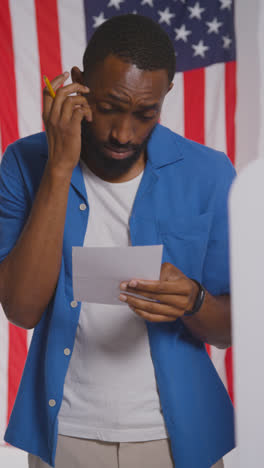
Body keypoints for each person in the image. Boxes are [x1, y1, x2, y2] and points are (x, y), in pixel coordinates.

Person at [0, 14, 235, 468]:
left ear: (165, 97)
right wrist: (59, 165)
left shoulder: (209, 173)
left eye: (144, 114)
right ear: (79, 85)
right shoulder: (25, 162)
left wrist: (194, 300)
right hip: (63, 434)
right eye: (109, 107)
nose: (123, 133)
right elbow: (21, 309)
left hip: (178, 437)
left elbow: (229, 331)